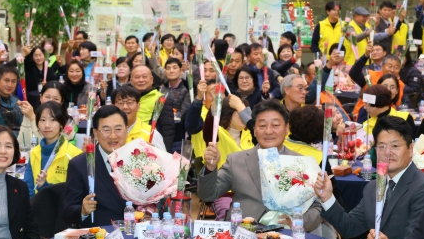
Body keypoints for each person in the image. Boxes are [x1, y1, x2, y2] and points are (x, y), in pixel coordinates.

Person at [198, 100, 324, 229]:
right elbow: (208, 195)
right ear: (254, 129)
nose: (268, 131)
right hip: (243, 233)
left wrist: (296, 222)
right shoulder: (236, 160)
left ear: (287, 128)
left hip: (286, 234)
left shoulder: (301, 162)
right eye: (262, 125)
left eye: (275, 125)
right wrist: (210, 168)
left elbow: (318, 206)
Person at [64, 105, 128, 227]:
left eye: (118, 129)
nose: (113, 136)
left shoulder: (138, 159)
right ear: (96, 134)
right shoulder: (79, 165)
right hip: (99, 235)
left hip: (134, 233)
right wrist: (83, 210)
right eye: (106, 130)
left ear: (126, 130)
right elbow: (68, 213)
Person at [24, 101, 82, 196]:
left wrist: (45, 186)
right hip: (36, 204)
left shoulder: (75, 155)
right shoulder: (34, 152)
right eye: (42, 120)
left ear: (61, 124)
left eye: (53, 120)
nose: (47, 125)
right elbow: (28, 188)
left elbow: (75, 192)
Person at [130, 65, 175, 151]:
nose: (141, 80)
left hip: (150, 147)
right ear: (131, 81)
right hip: (128, 144)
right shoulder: (126, 99)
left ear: (152, 79)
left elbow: (168, 130)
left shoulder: (161, 99)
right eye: (137, 77)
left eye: (144, 76)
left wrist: (163, 153)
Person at [112, 85, 167, 150]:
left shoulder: (151, 134)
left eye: (130, 102)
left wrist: (154, 153)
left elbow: (163, 156)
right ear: (113, 106)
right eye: (120, 103)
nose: (125, 107)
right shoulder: (106, 132)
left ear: (138, 106)